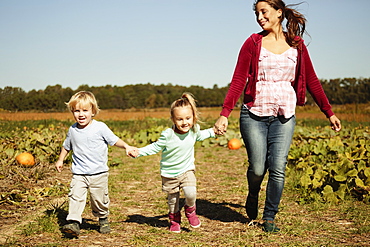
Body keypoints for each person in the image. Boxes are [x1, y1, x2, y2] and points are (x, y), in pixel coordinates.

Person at [214, 0, 341, 233]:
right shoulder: (253, 43)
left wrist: (328, 112)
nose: (260, 17)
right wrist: (225, 113)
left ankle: (270, 216)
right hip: (254, 114)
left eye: (264, 12)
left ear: (279, 13)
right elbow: (239, 80)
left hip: (284, 115)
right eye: (257, 13)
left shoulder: (297, 45)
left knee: (278, 167)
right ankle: (253, 193)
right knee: (258, 169)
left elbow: (311, 80)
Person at [55, 91, 138, 237]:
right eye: (77, 111)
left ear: (93, 111)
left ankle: (103, 218)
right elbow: (66, 146)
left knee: (99, 200)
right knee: (75, 196)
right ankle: (74, 222)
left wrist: (126, 146)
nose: (81, 114)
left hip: (98, 173)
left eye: (85, 110)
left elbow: (114, 140)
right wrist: (61, 159)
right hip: (79, 173)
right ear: (72, 112)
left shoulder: (100, 128)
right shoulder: (72, 130)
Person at [130, 93, 215, 233]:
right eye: (180, 119)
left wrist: (213, 131)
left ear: (193, 117)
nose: (185, 122)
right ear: (173, 119)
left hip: (187, 170)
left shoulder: (194, 130)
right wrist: (139, 151)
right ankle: (174, 219)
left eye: (188, 118)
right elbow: (155, 147)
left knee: (191, 193)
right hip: (169, 173)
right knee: (173, 201)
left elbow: (202, 135)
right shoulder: (168, 135)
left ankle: (190, 210)